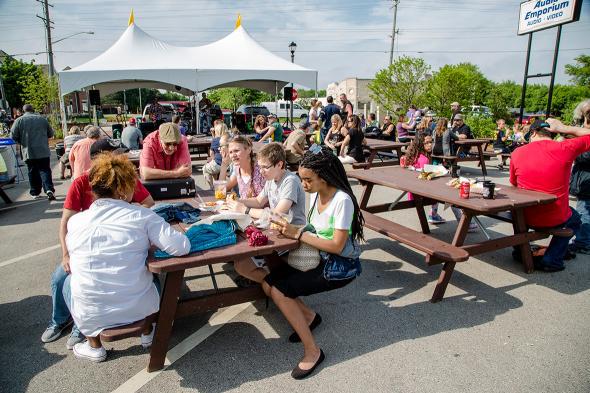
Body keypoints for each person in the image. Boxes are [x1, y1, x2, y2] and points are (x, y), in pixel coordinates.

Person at [62, 153, 190, 362]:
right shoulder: (142, 216)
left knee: (69, 281)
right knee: (153, 274)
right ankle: (147, 331)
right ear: (122, 190)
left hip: (92, 314)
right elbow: (182, 247)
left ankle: (94, 345)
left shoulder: (75, 222)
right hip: (140, 307)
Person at [41, 141, 155, 349]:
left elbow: (148, 201)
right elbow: (66, 222)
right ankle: (60, 321)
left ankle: (86, 327)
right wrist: (66, 255)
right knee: (61, 278)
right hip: (86, 247)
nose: (115, 163)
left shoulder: (123, 178)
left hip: (116, 244)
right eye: (111, 158)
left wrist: (130, 210)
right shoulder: (81, 183)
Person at [268, 145, 363, 379]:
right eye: (301, 179)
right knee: (268, 281)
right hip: (317, 258)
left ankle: (313, 351)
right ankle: (310, 318)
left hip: (339, 267)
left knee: (280, 290)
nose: (303, 185)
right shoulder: (316, 194)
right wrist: (289, 229)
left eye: (308, 180)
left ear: (324, 176)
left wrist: (298, 234)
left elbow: (337, 246)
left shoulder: (342, 200)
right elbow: (316, 233)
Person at [510, 119, 590, 272]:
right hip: (554, 216)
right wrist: (564, 127)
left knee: (516, 212)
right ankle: (552, 258)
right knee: (575, 219)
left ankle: (520, 251)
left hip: (524, 215)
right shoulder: (565, 148)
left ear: (533, 133)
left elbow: (514, 184)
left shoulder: (517, 152)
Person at [228, 143, 307, 283]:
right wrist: (238, 201)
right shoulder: (271, 179)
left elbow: (276, 214)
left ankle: (276, 286)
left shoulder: (290, 181)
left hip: (291, 237)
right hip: (275, 231)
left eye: (265, 167)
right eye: (260, 167)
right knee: (237, 252)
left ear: (280, 164)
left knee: (242, 263)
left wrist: (244, 209)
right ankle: (272, 283)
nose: (262, 171)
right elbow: (259, 201)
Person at [9, 104, 56, 200]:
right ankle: (49, 189)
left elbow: (12, 136)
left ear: (23, 110)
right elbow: (50, 133)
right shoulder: (42, 119)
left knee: (32, 171)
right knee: (45, 170)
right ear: (33, 110)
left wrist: (21, 141)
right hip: (43, 149)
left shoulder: (19, 121)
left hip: (28, 150)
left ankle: (35, 191)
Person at [565, 100, 590, 255]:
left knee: (584, 213)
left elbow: (585, 156)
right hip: (584, 178)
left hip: (587, 180)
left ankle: (583, 243)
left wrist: (572, 147)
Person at [202, 123, 230, 189]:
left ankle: (212, 187)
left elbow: (211, 154)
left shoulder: (215, 140)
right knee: (213, 167)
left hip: (218, 164)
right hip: (229, 164)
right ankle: (217, 184)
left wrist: (212, 159)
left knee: (205, 169)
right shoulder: (229, 139)